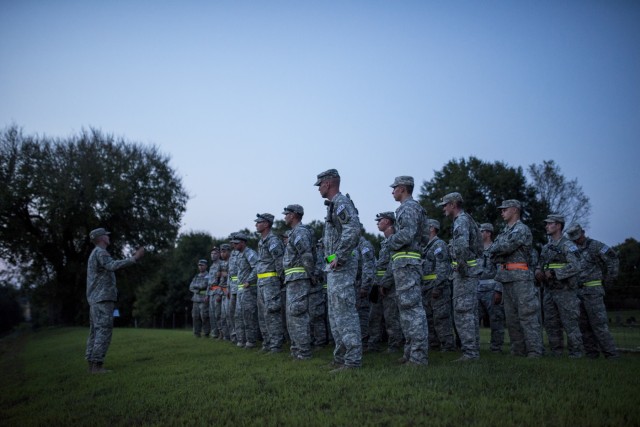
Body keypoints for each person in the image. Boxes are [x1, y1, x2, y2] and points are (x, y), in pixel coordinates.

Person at [316, 168, 362, 372]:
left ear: (328, 184)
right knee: (336, 315)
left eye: (320, 185)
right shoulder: (333, 205)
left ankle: (352, 360)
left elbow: (353, 229)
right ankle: (341, 357)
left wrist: (341, 257)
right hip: (334, 267)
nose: (318, 189)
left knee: (345, 313)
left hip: (342, 266)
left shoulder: (341, 203)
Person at [487, 200, 543, 358]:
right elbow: (494, 251)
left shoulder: (521, 229)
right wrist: (496, 250)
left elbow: (505, 247)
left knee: (527, 315)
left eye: (505, 209)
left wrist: (496, 250)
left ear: (515, 210)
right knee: (511, 318)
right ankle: (517, 351)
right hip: (506, 278)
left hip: (521, 278)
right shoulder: (505, 231)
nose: (502, 212)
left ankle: (534, 351)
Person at [85, 228, 144, 373]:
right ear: (101, 238)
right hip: (103, 298)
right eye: (106, 235)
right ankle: (97, 366)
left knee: (95, 331)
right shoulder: (100, 252)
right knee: (103, 331)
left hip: (95, 299)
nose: (108, 237)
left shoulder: (95, 253)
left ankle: (92, 364)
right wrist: (134, 258)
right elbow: (112, 265)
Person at [388, 176, 429, 366]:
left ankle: (418, 357)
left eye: (394, 188)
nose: (392, 191)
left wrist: (389, 241)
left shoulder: (410, 207)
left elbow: (408, 233)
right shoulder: (408, 208)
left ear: (402, 188)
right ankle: (410, 354)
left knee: (413, 310)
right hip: (404, 262)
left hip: (408, 262)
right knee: (406, 310)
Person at [438, 192, 481, 361]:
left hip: (465, 273)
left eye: (445, 205)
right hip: (469, 271)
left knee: (463, 311)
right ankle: (473, 350)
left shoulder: (461, 221)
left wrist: (460, 268)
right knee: (469, 311)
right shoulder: (465, 220)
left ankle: (470, 353)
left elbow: (462, 247)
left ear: (454, 204)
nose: (443, 208)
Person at [566, 224, 620, 359]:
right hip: (578, 292)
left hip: (593, 291)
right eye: (573, 238)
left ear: (583, 232)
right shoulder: (572, 248)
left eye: (577, 237)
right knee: (583, 326)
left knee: (599, 325)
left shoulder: (595, 245)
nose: (576, 240)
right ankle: (591, 355)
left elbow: (613, 259)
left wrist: (608, 281)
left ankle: (612, 355)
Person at [535, 214, 584, 358]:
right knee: (551, 323)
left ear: (558, 225)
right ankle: (556, 353)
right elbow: (541, 264)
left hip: (565, 291)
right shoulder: (546, 247)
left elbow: (576, 265)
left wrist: (555, 272)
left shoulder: (568, 245)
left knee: (570, 323)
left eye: (549, 224)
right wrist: (538, 271)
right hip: (549, 291)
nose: (546, 226)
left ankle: (576, 353)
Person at [282, 204, 316, 360]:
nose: (285, 216)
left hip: (299, 280)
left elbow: (306, 256)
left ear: (294, 215)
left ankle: (304, 352)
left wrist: (311, 276)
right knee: (292, 317)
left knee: (298, 315)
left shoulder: (300, 232)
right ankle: (296, 350)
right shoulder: (294, 233)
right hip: (292, 280)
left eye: (287, 213)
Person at [422, 219, 456, 352]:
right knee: (429, 318)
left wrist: (438, 286)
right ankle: (434, 344)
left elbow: (443, 267)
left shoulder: (439, 245)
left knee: (441, 318)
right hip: (426, 287)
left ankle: (448, 346)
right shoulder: (426, 246)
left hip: (436, 287)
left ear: (431, 228)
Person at [372, 212, 404, 353]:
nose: (377, 223)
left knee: (392, 317)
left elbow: (392, 262)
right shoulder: (385, 241)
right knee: (383, 316)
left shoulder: (393, 239)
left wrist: (385, 283)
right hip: (383, 284)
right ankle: (388, 343)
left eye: (379, 221)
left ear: (387, 221)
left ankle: (394, 346)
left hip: (390, 285)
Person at [255, 213, 285, 353]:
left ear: (266, 224)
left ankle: (276, 345)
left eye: (259, 222)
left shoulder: (273, 240)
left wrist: (281, 279)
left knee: (272, 313)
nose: (256, 224)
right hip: (262, 282)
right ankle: (267, 343)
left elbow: (279, 261)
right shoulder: (262, 241)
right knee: (263, 315)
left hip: (271, 282)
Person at [477, 223, 505, 353]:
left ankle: (496, 348)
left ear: (488, 233)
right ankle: (474, 347)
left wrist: (498, 290)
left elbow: (501, 269)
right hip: (477, 289)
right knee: (474, 319)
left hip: (492, 289)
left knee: (496, 320)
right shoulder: (477, 250)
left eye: (482, 231)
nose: (479, 233)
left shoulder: (495, 249)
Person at [234, 232, 259, 349]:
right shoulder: (239, 255)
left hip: (249, 289)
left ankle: (251, 341)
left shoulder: (250, 253)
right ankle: (242, 340)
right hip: (241, 290)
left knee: (248, 315)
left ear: (243, 243)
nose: (234, 245)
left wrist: (249, 281)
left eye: (236, 243)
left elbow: (257, 267)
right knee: (239, 316)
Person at [356, 230, 376, 346]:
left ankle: (365, 341)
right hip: (355, 284)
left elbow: (368, 267)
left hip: (362, 285)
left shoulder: (364, 246)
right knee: (358, 313)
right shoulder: (352, 246)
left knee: (363, 313)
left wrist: (365, 286)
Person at [190, 259, 211, 338]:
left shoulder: (208, 276)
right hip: (195, 299)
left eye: (202, 265)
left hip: (204, 299)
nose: (200, 267)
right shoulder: (196, 276)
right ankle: (196, 333)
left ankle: (206, 333)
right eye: (199, 265)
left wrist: (197, 287)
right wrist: (198, 288)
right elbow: (191, 287)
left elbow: (205, 285)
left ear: (206, 266)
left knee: (204, 316)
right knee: (195, 316)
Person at [207, 247, 223, 339]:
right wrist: (207, 294)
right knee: (212, 314)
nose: (213, 255)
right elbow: (209, 282)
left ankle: (222, 333)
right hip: (211, 292)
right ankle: (215, 333)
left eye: (215, 253)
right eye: (212, 253)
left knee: (218, 314)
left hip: (218, 291)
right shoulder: (211, 266)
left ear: (219, 254)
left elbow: (222, 281)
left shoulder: (222, 264)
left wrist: (219, 293)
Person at [218, 243, 232, 340]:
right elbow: (219, 277)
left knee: (229, 314)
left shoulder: (232, 261)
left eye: (224, 251)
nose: (222, 254)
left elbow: (233, 275)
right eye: (221, 252)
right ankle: (225, 335)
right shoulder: (221, 263)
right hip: (222, 290)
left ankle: (233, 336)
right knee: (223, 315)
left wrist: (225, 274)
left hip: (229, 289)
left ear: (229, 251)